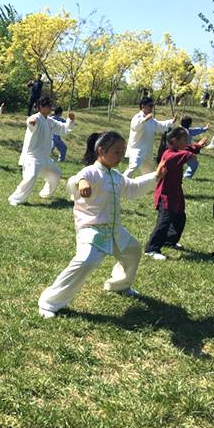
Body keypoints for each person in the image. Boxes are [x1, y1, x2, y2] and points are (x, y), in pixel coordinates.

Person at [37, 132, 166, 318]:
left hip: (114, 230)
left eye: (122, 152)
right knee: (85, 261)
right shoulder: (90, 172)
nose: (120, 157)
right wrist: (81, 184)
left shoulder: (115, 175)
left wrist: (156, 176)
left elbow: (133, 189)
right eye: (116, 152)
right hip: (92, 230)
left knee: (133, 251)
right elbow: (78, 179)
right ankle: (49, 303)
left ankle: (119, 284)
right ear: (101, 151)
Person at [144, 127, 207, 260]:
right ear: (174, 140)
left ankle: (169, 241)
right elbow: (180, 155)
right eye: (185, 139)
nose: (187, 142)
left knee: (179, 218)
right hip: (165, 194)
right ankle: (152, 248)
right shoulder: (168, 154)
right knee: (164, 221)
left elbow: (187, 149)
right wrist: (191, 154)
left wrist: (197, 146)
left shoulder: (177, 150)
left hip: (175, 193)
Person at [9, 97, 74, 206]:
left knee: (56, 173)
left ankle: (45, 194)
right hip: (33, 157)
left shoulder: (49, 121)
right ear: (40, 107)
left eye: (50, 105)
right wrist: (31, 123)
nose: (50, 108)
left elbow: (63, 128)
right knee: (31, 177)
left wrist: (70, 121)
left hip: (45, 158)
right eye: (47, 106)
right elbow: (30, 122)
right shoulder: (35, 118)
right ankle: (15, 199)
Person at [123, 97, 176, 177]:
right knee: (133, 167)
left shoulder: (151, 120)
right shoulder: (137, 117)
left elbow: (160, 125)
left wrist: (171, 121)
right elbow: (135, 127)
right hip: (137, 149)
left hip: (148, 150)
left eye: (153, 106)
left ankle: (149, 187)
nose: (152, 108)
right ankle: (120, 184)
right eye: (150, 105)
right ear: (143, 106)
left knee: (149, 172)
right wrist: (144, 120)